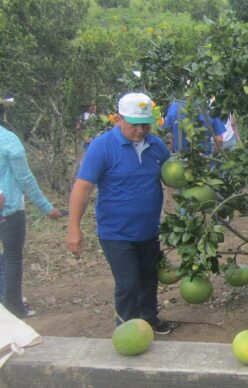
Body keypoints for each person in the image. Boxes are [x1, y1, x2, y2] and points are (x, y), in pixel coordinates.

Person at [66, 92, 173, 334]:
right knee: (128, 284)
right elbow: (83, 186)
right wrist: (74, 227)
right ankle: (127, 329)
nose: (141, 130)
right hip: (116, 232)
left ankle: (149, 319)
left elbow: (172, 178)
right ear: (119, 120)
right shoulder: (102, 147)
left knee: (149, 277)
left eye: (145, 124)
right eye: (135, 125)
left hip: (149, 229)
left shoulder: (156, 146)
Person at [0, 118, 62, 318]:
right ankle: (13, 307)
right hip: (9, 210)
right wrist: (46, 207)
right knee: (12, 259)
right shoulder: (8, 140)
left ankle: (6, 299)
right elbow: (24, 178)